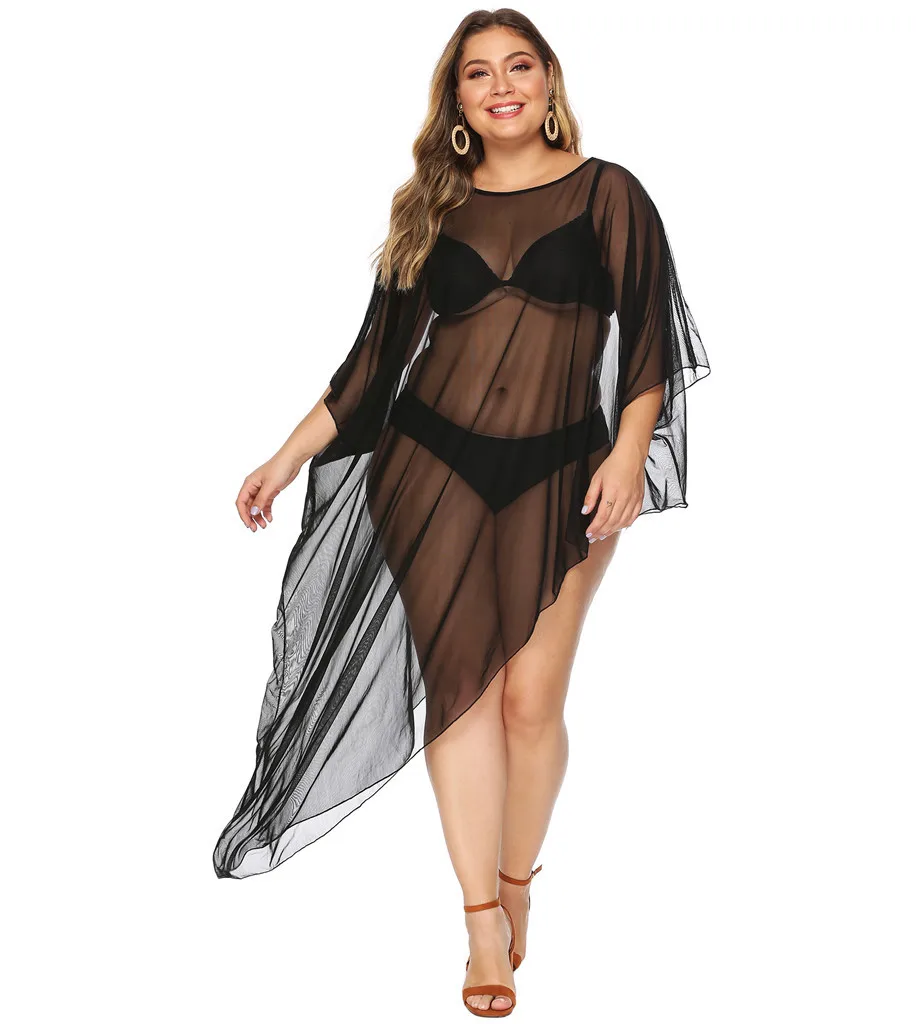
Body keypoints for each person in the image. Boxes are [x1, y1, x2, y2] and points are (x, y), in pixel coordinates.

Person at [212, 9, 711, 1017]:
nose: (501, 86)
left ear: (549, 82)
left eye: (519, 66)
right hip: (428, 469)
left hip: (564, 473)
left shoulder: (609, 193)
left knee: (531, 700)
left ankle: (519, 878)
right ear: (457, 102)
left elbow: (649, 340)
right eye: (478, 74)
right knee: (463, 695)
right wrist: (282, 457)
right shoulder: (430, 208)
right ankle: (481, 920)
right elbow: (370, 368)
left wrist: (628, 453)